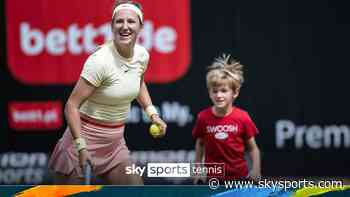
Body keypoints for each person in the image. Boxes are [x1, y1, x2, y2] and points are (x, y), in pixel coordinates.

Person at [48, 0, 167, 185]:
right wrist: (81, 147)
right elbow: (71, 106)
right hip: (81, 143)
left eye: (131, 21)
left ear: (141, 26)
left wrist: (152, 114)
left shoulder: (142, 55)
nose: (125, 26)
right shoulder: (100, 61)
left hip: (114, 146)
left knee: (138, 191)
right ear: (112, 26)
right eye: (119, 21)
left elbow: (138, 83)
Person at [192, 54, 261, 184]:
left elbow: (253, 148)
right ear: (209, 92)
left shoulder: (243, 117)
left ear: (235, 93)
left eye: (224, 91)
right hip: (212, 180)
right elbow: (200, 144)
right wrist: (197, 171)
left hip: (239, 179)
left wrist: (256, 170)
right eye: (215, 91)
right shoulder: (203, 117)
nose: (219, 95)